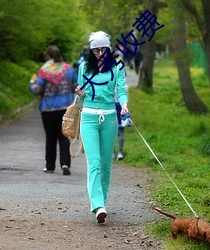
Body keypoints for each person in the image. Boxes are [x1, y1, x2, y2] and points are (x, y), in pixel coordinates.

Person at [75, 31, 128, 223]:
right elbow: (81, 94)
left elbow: (121, 89)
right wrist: (80, 92)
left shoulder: (117, 67)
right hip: (88, 117)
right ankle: (97, 205)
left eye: (102, 50)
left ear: (108, 48)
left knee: (106, 164)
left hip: (110, 118)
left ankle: (102, 201)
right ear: (91, 50)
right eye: (95, 50)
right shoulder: (84, 67)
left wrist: (123, 104)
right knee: (94, 163)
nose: (99, 53)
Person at [29, 45, 78, 175]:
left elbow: (37, 90)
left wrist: (32, 83)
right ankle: (65, 163)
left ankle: (50, 166)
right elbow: (76, 87)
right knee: (64, 137)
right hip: (65, 109)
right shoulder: (69, 70)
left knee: (50, 138)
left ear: (48, 57)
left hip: (48, 109)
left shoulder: (44, 71)